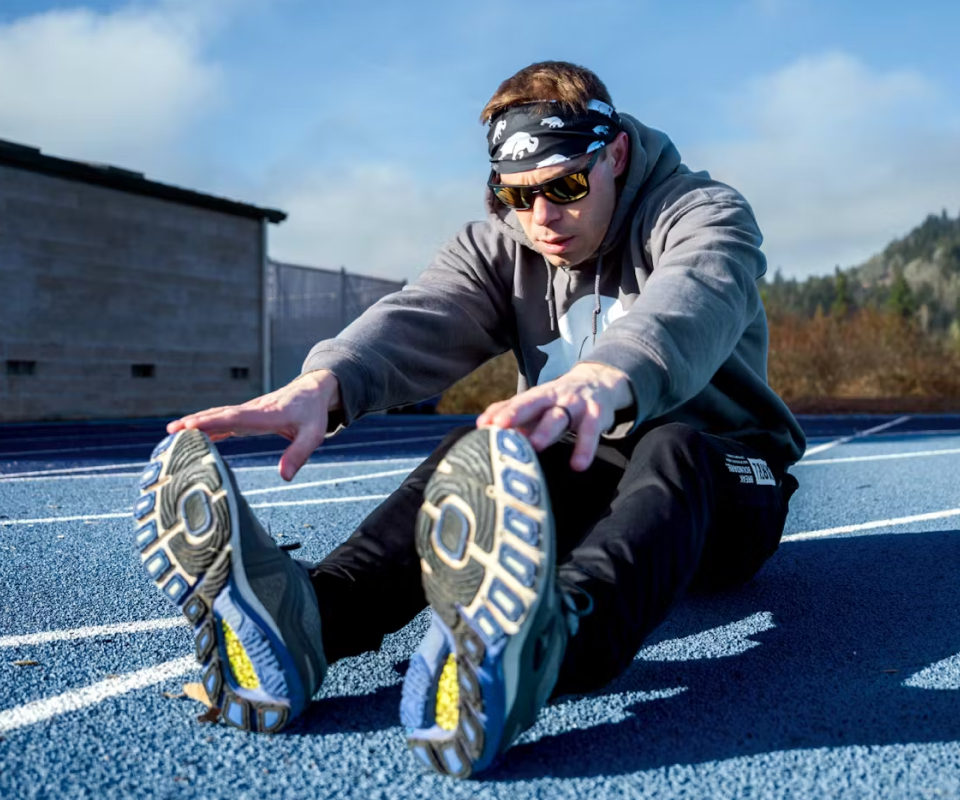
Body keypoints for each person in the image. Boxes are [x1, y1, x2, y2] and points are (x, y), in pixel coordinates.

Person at [132, 61, 805, 778]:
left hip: (728, 481)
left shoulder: (702, 211)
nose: (541, 216)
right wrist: (322, 386)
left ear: (614, 155)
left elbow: (696, 292)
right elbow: (421, 316)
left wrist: (606, 375)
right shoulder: (502, 246)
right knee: (486, 446)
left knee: (674, 447)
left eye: (565, 186)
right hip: (590, 463)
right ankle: (310, 622)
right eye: (516, 195)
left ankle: (549, 644)